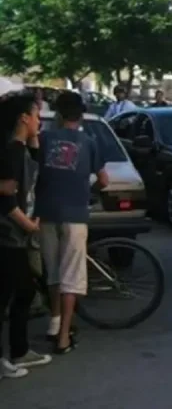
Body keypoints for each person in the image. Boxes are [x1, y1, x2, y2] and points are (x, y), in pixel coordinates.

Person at [36, 92, 109, 354]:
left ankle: (53, 325)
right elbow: (104, 179)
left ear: (58, 114)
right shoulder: (89, 142)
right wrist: (91, 191)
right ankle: (65, 336)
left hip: (46, 213)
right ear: (81, 115)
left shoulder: (43, 139)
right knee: (72, 276)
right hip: (75, 215)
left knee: (53, 272)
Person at [0, 93, 51, 378]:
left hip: (15, 234)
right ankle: (14, 353)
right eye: (36, 115)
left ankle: (19, 351)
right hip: (7, 233)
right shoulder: (10, 150)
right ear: (23, 117)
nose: (39, 120)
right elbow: (6, 201)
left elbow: (36, 165)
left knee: (20, 291)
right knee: (17, 291)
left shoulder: (20, 148)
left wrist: (33, 136)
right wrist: (28, 225)